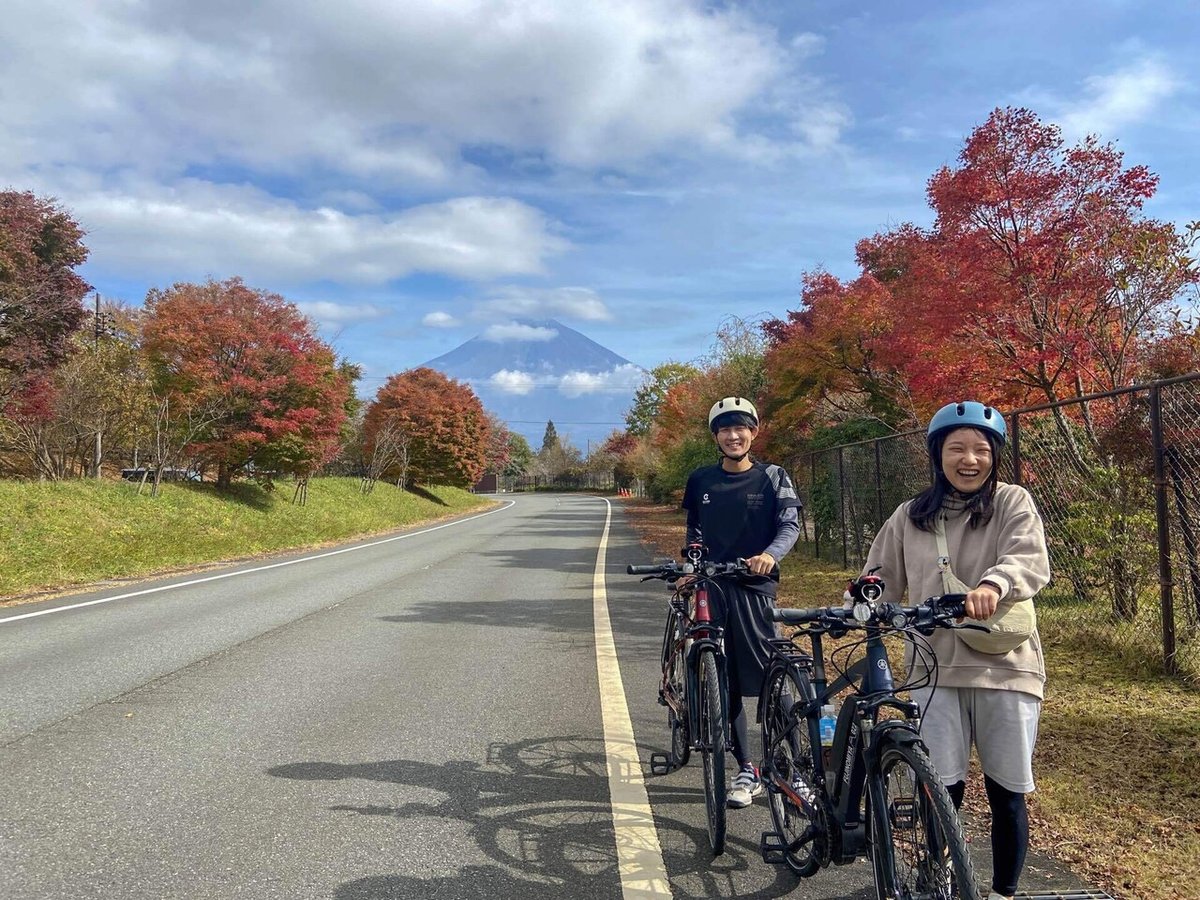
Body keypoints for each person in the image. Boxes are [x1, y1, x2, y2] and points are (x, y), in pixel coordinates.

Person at [861, 401, 1051, 900]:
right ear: (937, 455)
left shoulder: (1012, 501)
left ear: (995, 457)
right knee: (940, 787)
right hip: (933, 669)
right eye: (957, 449)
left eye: (981, 450)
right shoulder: (911, 516)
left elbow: (1026, 559)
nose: (969, 460)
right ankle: (940, 875)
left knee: (1007, 791)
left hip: (1005, 669)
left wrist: (994, 584)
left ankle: (1004, 892)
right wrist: (859, 601)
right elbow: (879, 575)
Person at [681, 396, 802, 809]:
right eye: (725, 429)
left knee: (773, 671)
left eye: (741, 428)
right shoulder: (701, 480)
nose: (733, 435)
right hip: (712, 583)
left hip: (755, 583)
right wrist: (691, 561)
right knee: (723, 671)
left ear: (754, 431)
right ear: (716, 436)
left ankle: (792, 765)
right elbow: (694, 530)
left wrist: (770, 555)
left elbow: (790, 525)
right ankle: (747, 767)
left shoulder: (773, 476)